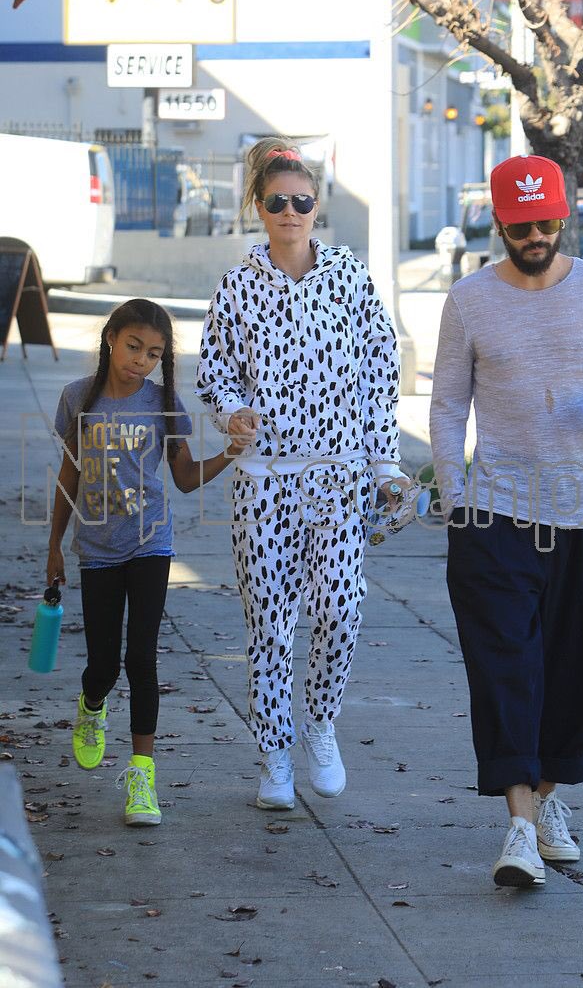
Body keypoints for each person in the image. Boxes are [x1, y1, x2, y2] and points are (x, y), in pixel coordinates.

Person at [430, 155, 583, 888]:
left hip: (580, 512)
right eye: (519, 223)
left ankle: (545, 802)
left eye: (544, 222)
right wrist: (455, 496)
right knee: (505, 669)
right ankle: (518, 826)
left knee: (568, 673)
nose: (533, 234)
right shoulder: (470, 300)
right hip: (494, 513)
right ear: (499, 221)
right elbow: (446, 405)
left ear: (561, 217)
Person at [196, 136, 408, 810]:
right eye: (278, 201)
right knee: (270, 625)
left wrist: (384, 462)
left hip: (338, 477)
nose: (292, 211)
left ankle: (319, 721)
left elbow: (380, 365)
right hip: (263, 479)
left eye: (303, 201)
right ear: (259, 206)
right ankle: (274, 755)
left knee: (341, 610)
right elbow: (214, 366)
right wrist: (231, 411)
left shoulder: (347, 275)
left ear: (318, 206)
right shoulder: (237, 284)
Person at [47, 298, 243, 826]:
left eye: (153, 353)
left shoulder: (164, 403)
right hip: (97, 549)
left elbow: (183, 477)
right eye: (134, 346)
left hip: (151, 543)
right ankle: (91, 706)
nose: (141, 360)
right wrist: (53, 551)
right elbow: (69, 478)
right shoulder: (77, 399)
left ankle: (141, 777)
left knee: (142, 660)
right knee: (104, 665)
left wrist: (230, 453)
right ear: (111, 338)